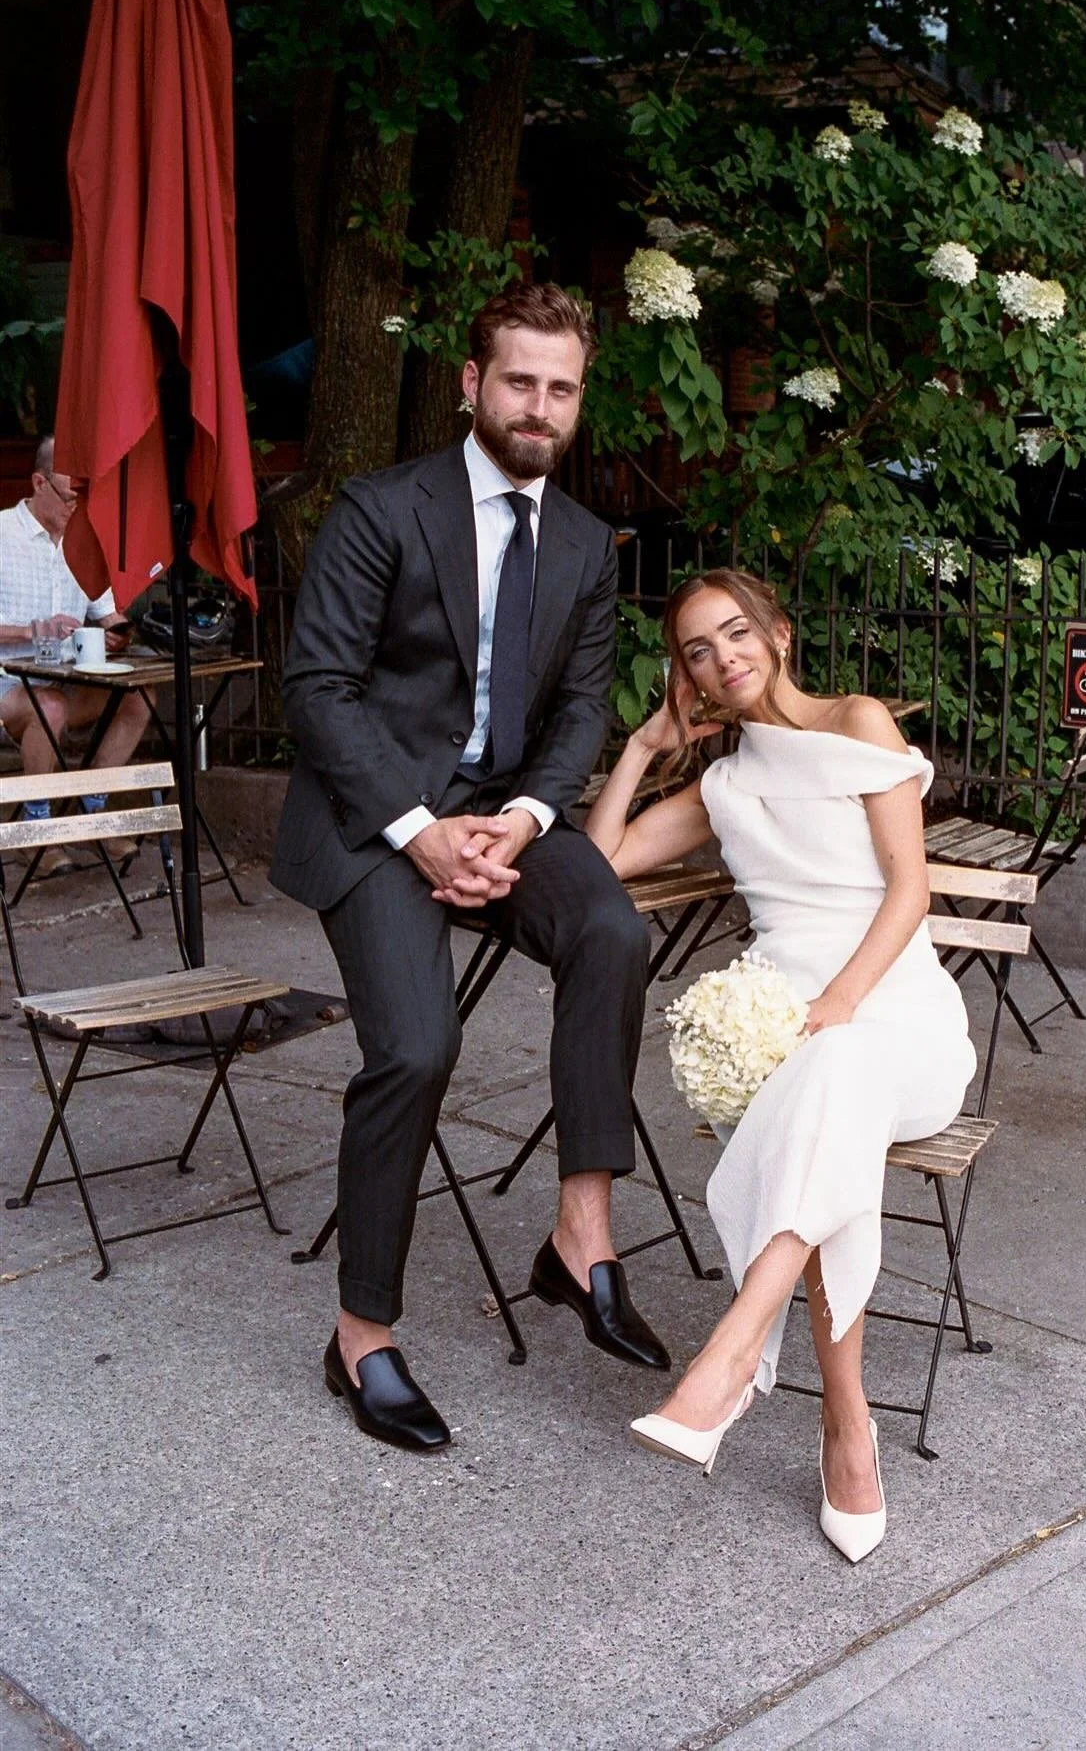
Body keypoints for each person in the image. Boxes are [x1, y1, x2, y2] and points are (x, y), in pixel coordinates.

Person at [272, 281, 667, 1455]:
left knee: (612, 927)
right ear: (471, 383)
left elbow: (583, 705)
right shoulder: (382, 509)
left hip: (503, 815)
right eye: (520, 381)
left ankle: (579, 1234)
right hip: (376, 816)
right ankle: (360, 1335)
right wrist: (419, 828)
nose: (540, 407)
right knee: (417, 1045)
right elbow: (316, 691)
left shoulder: (590, 544)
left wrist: (534, 815)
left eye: (562, 388)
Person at [584, 569, 976, 1563]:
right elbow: (602, 859)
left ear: (780, 634)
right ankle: (845, 1426)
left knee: (833, 1071)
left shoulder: (860, 722)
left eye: (735, 634)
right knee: (824, 1100)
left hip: (900, 1020)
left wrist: (837, 1004)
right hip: (797, 1046)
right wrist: (642, 747)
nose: (723, 660)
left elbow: (911, 890)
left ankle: (735, 1352)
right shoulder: (719, 783)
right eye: (697, 651)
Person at [0, 436, 148, 874]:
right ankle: (36, 831)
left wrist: (120, 631)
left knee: (139, 700)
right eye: (68, 496)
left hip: (65, 681)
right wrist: (29, 631)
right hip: (7, 684)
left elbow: (106, 612)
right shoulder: (3, 533)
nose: (74, 506)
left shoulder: (82, 541)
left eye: (79, 497)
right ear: (38, 483)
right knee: (49, 706)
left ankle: (91, 814)